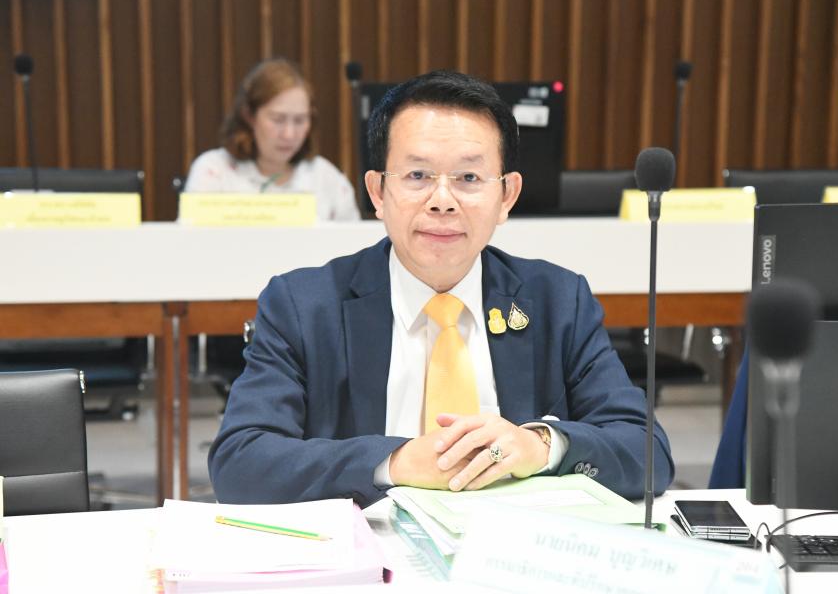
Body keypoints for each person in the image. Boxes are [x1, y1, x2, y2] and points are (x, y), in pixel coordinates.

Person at [208, 70, 674, 507]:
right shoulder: (304, 306)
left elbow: (647, 451)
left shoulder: (558, 300)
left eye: (469, 178)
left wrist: (542, 445)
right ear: (377, 192)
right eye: (418, 176)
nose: (443, 201)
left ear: (507, 196)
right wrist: (394, 462)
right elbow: (240, 462)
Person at [184, 58, 359, 221]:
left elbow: (354, 242)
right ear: (249, 116)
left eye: (300, 120)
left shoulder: (326, 178)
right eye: (278, 119)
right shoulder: (214, 171)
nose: (289, 134)